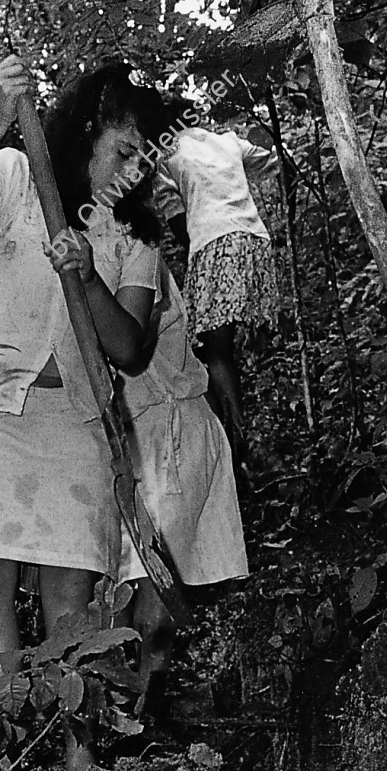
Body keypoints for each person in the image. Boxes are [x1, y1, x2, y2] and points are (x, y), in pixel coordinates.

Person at [0, 54, 170, 769]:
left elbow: (128, 348)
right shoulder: (12, 178)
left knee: (74, 620)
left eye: (144, 161)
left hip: (78, 432)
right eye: (123, 151)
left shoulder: (136, 239)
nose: (133, 171)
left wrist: (87, 274)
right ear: (90, 129)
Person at [117, 257, 248, 710]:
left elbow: (128, 348)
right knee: (115, 584)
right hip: (121, 436)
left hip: (172, 436)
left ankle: (145, 708)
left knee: (157, 590)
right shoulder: (91, 260)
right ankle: (113, 710)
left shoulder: (142, 263)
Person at [153, 121, 281, 466]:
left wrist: (196, 256)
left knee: (216, 353)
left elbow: (175, 215)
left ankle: (238, 444)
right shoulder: (228, 142)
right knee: (256, 339)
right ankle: (270, 431)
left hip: (212, 243)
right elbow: (275, 162)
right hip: (254, 240)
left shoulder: (165, 153)